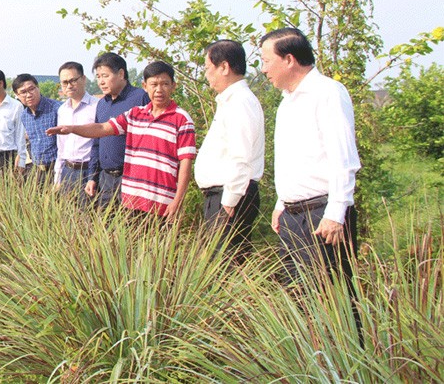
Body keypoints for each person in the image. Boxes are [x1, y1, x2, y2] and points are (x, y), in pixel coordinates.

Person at [260, 27, 361, 285]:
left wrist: (336, 213)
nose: (263, 70)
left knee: (330, 299)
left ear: (289, 59)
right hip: (293, 217)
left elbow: (343, 158)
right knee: (297, 297)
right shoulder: (287, 101)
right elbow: (295, 159)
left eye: (266, 61)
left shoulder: (327, 92)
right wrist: (282, 203)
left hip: (322, 214)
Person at [48, 61, 196, 220]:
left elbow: (185, 164)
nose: (159, 90)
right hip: (131, 199)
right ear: (145, 86)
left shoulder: (182, 119)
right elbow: (102, 129)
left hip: (162, 202)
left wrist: (177, 200)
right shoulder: (135, 114)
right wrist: (72, 129)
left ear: (173, 86)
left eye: (164, 84)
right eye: (154, 84)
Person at [194, 40, 264, 256]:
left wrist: (228, 202)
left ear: (224, 67)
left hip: (230, 196)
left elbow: (240, 157)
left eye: (208, 68)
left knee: (226, 267)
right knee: (219, 265)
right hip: (224, 196)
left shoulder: (240, 102)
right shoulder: (230, 101)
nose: (206, 75)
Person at [86, 52, 150, 208]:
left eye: (105, 76)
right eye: (98, 76)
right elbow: (97, 142)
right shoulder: (102, 104)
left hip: (132, 177)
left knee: (132, 225)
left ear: (121, 74)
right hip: (105, 179)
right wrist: (92, 177)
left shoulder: (140, 98)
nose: (101, 81)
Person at [54, 61, 98, 205]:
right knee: (67, 218)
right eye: (64, 82)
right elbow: (61, 146)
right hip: (67, 171)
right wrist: (58, 177)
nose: (69, 85)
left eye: (73, 80)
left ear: (83, 79)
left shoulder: (96, 106)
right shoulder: (62, 110)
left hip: (88, 171)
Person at [13, 73, 59, 184]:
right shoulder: (24, 115)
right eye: (23, 92)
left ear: (38, 88)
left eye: (31, 89)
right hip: (37, 171)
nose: (28, 95)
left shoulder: (57, 109)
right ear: (17, 95)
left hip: (57, 170)